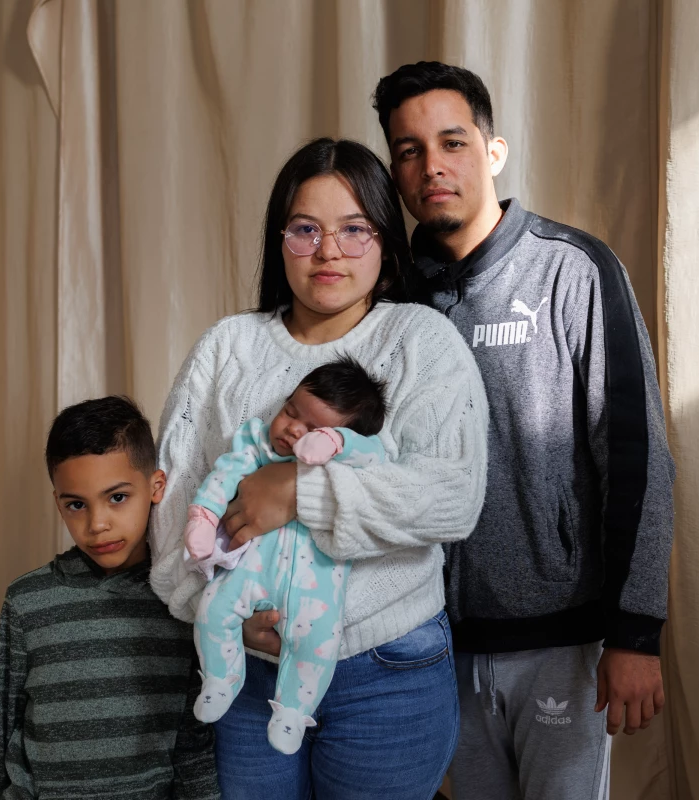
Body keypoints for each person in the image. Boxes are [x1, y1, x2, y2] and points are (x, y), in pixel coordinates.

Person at [148, 137, 488, 800]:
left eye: (354, 230)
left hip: (385, 669)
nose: (328, 251)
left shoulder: (420, 341)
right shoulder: (228, 349)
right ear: (280, 241)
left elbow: (453, 498)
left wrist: (301, 491)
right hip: (249, 668)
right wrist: (214, 611)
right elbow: (173, 510)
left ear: (386, 243)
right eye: (306, 229)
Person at [372, 62, 676, 800]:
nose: (432, 166)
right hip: (429, 646)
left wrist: (635, 632)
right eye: (409, 150)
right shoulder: (388, 298)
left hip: (562, 643)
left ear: (494, 151)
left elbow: (637, 459)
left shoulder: (572, 272)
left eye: (452, 142)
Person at [0, 396, 218, 800]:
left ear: (155, 487)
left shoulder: (181, 602)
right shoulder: (28, 602)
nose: (97, 525)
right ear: (58, 503)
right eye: (76, 505)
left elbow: (194, 741)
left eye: (117, 497)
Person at [185, 358, 388, 756]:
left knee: (316, 644)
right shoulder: (257, 442)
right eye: (290, 411)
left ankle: (294, 711)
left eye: (314, 428)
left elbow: (374, 456)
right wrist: (204, 515)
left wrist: (336, 444)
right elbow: (226, 474)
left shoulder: (351, 454)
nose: (293, 428)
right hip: (250, 566)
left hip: (317, 582)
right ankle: (220, 680)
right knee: (212, 610)